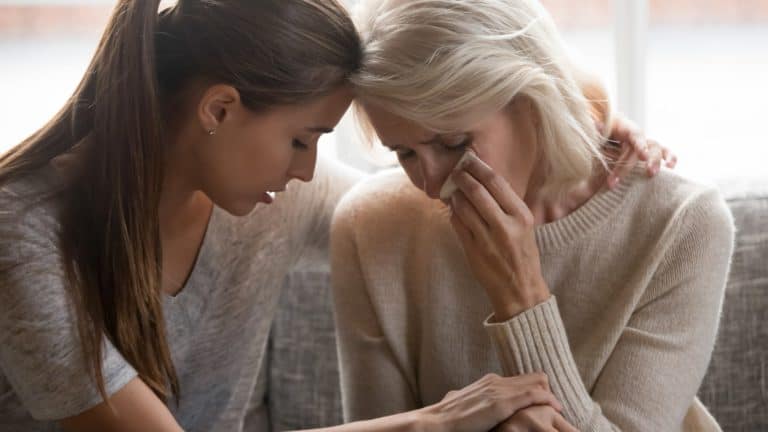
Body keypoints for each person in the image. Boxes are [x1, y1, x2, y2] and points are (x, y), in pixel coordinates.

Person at [0, 1, 669, 431]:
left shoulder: (277, 198)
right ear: (219, 110)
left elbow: (410, 206)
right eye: (303, 139)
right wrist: (429, 424)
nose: (306, 171)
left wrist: (572, 125)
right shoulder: (22, 231)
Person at [331, 0, 733, 431]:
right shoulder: (369, 225)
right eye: (404, 152)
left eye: (453, 143)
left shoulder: (684, 226)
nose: (431, 185)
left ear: (532, 99)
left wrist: (522, 300)